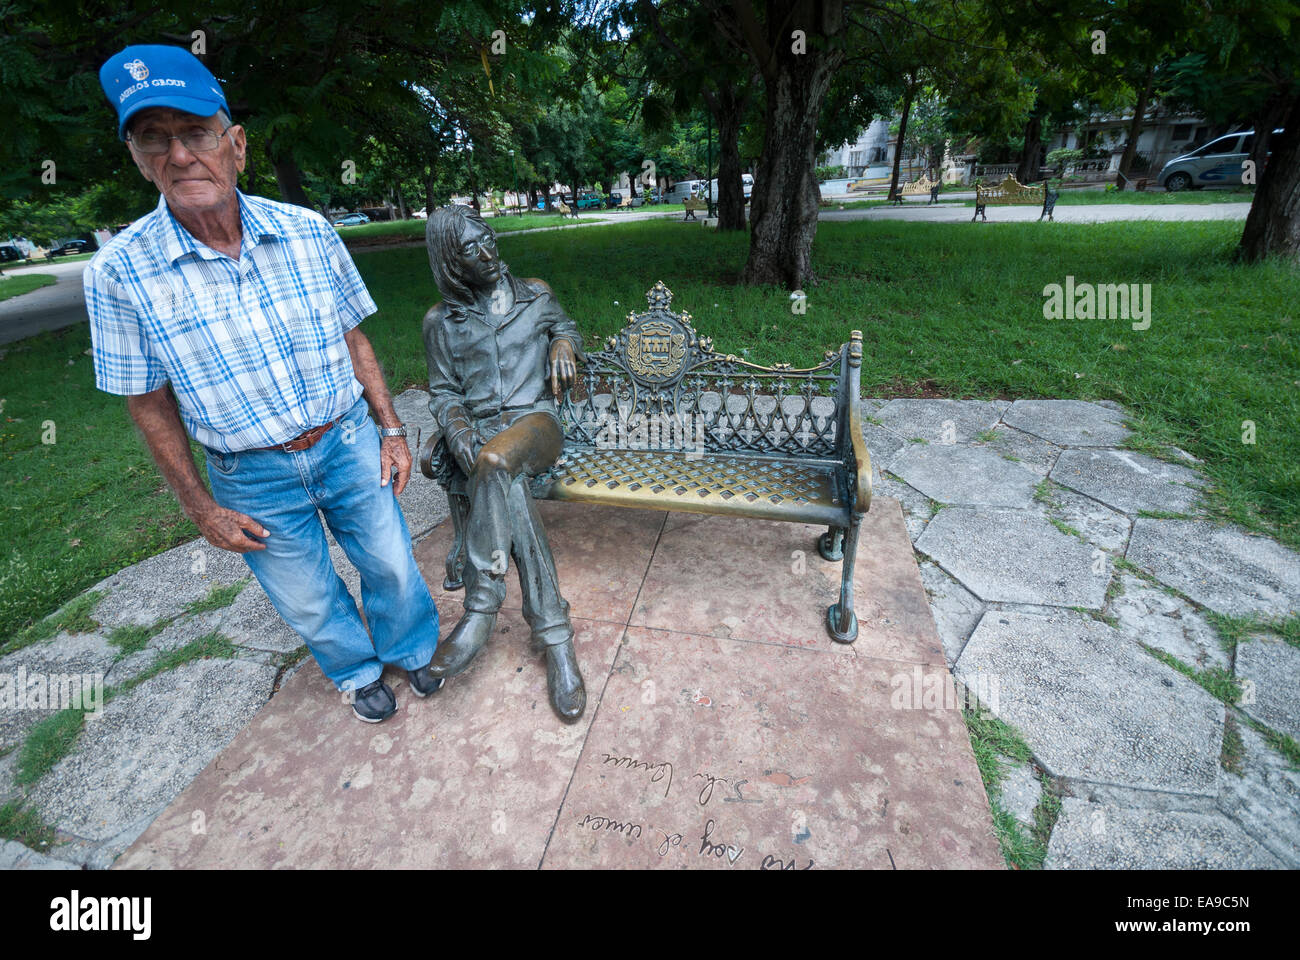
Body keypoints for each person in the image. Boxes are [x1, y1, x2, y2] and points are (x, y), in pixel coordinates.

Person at [84, 44, 441, 723]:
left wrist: (390, 429)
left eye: (195, 133)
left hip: (345, 440)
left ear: (236, 145)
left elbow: (352, 337)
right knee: (306, 595)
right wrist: (201, 508)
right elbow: (147, 400)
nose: (180, 155)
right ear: (137, 158)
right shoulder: (117, 272)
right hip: (249, 475)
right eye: (154, 139)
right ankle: (356, 669)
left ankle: (411, 648)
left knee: (392, 562)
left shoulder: (307, 232)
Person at [422, 205, 586, 722]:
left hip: (537, 428)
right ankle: (555, 637)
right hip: (483, 442)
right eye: (471, 248)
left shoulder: (534, 294)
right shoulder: (440, 323)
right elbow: (444, 392)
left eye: (487, 238)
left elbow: (570, 327)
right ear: (451, 262)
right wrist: (458, 429)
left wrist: (563, 342)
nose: (488, 252)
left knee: (496, 462)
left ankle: (481, 604)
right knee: (502, 480)